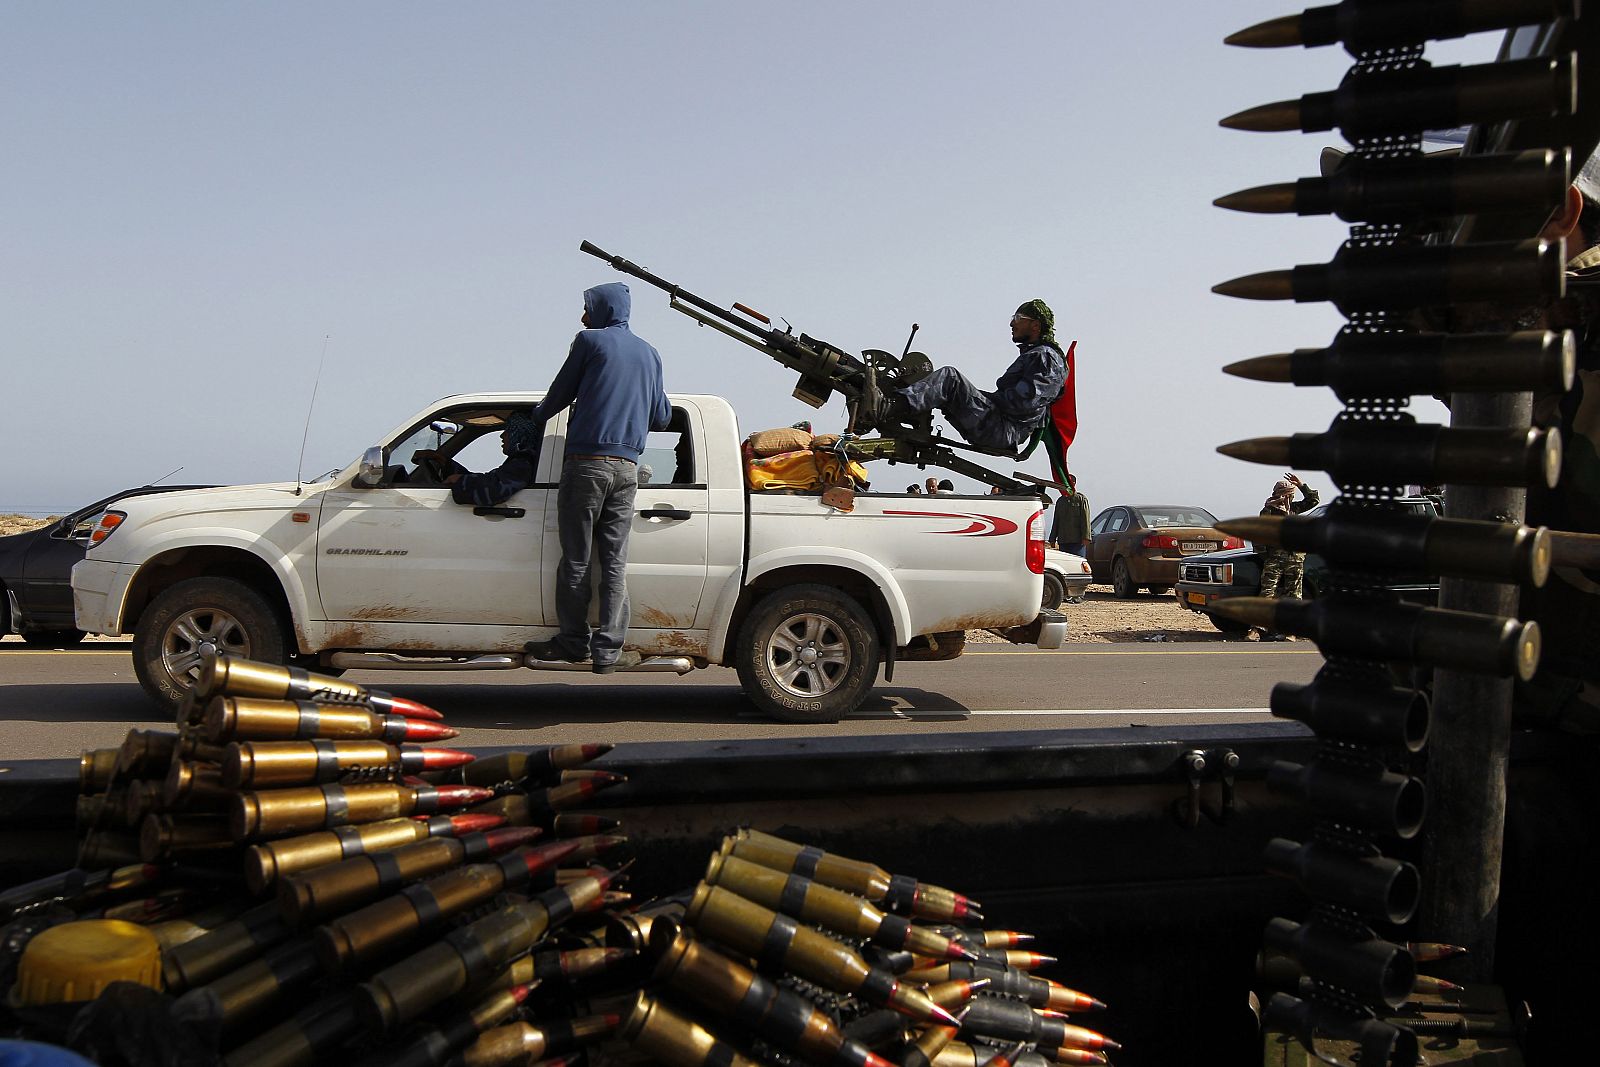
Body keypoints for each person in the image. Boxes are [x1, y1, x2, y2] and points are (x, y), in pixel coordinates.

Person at [523, 283, 671, 674]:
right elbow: (662, 418)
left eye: (587, 308)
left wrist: (535, 418)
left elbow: (559, 394)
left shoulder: (589, 342)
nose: (583, 316)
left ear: (603, 310)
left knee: (575, 558)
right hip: (627, 471)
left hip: (587, 464)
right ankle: (608, 651)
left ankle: (573, 642)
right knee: (614, 562)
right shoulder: (651, 354)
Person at [877, 300, 1069, 454]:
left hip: (1003, 429)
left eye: (1018, 317)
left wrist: (974, 395)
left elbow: (1023, 403)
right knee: (943, 386)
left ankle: (888, 407)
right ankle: (898, 405)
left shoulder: (1046, 357)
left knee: (950, 379)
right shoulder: (1038, 355)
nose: (1012, 323)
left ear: (1035, 325)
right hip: (1000, 425)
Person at [424, 413, 542, 506]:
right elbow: (488, 481)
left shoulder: (524, 463)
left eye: (508, 430)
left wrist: (459, 481)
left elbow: (494, 490)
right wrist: (445, 463)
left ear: (519, 434)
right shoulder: (521, 462)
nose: (502, 435)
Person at [1256, 472, 1319, 641]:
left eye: (1291, 494)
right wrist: (1267, 556)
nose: (1287, 497)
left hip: (1295, 559)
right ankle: (1258, 629)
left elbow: (1313, 500)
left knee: (1294, 595)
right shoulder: (1268, 510)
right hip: (1275, 558)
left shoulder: (1294, 509)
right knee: (1267, 593)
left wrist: (1301, 485)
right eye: (1285, 494)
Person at [1049, 478, 1091, 557]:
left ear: (1074, 483)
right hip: (1063, 541)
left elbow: (1085, 520)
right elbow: (1056, 521)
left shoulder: (1081, 499)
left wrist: (1086, 537)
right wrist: (1052, 538)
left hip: (1077, 541)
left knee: (1078, 564)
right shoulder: (1060, 501)